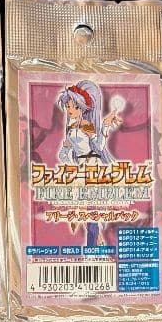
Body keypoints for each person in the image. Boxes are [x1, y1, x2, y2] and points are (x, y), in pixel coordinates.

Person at [56, 80, 122, 247]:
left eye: (74, 107)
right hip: (80, 169)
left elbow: (98, 146)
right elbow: (63, 155)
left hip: (93, 166)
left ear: (83, 108)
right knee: (83, 208)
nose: (70, 110)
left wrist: (105, 127)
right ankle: (96, 241)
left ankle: (94, 244)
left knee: (89, 209)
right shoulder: (70, 130)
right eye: (68, 106)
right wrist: (70, 161)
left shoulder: (86, 125)